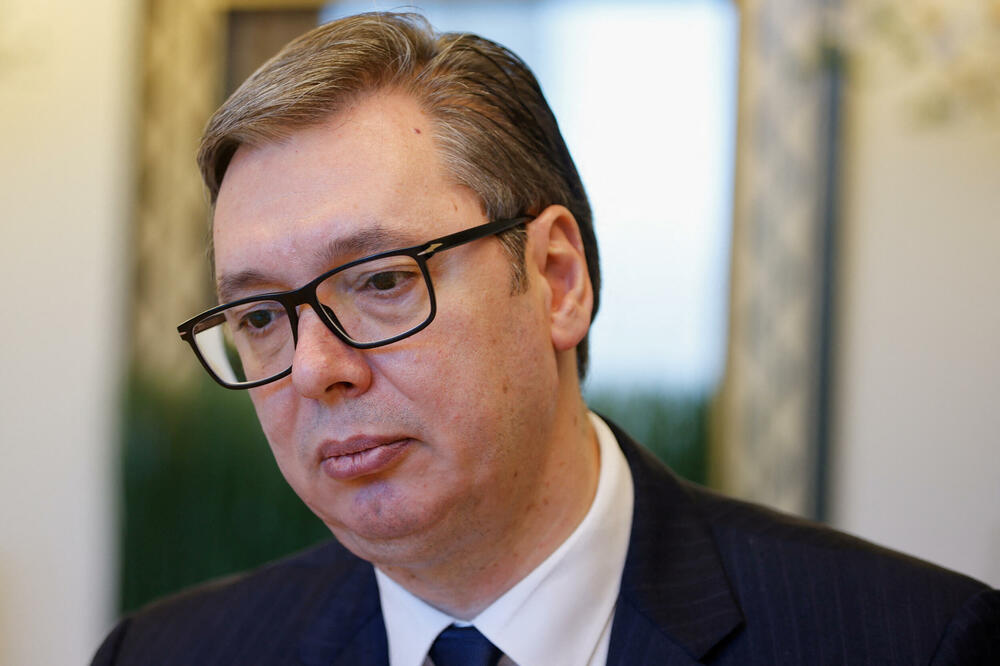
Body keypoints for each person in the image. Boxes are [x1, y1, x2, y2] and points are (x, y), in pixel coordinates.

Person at [93, 11, 999, 665]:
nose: (316, 370)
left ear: (558, 280)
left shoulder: (909, 642)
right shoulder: (167, 654)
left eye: (381, 281)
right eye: (260, 318)